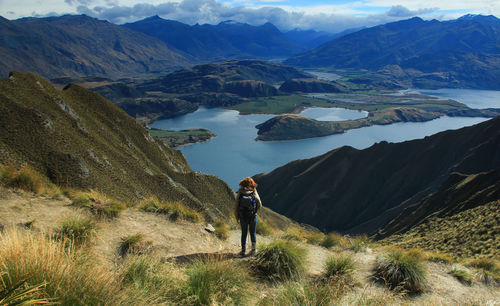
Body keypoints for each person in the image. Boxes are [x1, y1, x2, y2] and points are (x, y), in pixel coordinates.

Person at [235, 177, 262, 256]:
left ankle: (243, 251)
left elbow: (236, 206)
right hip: (252, 216)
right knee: (252, 233)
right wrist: (255, 211)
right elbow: (259, 204)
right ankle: (253, 250)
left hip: (243, 216)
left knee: (244, 233)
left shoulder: (240, 193)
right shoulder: (254, 192)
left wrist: (237, 217)